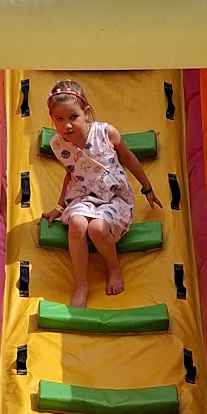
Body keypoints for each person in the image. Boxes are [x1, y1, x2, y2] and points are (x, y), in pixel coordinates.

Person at [42, 78, 162, 306]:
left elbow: (128, 157)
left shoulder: (106, 133)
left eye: (73, 117)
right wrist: (59, 206)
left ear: (86, 113)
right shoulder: (58, 144)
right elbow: (71, 173)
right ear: (52, 118)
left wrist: (147, 188)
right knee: (77, 223)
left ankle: (113, 267)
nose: (67, 125)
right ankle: (81, 284)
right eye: (59, 119)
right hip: (83, 196)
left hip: (114, 197)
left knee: (97, 228)